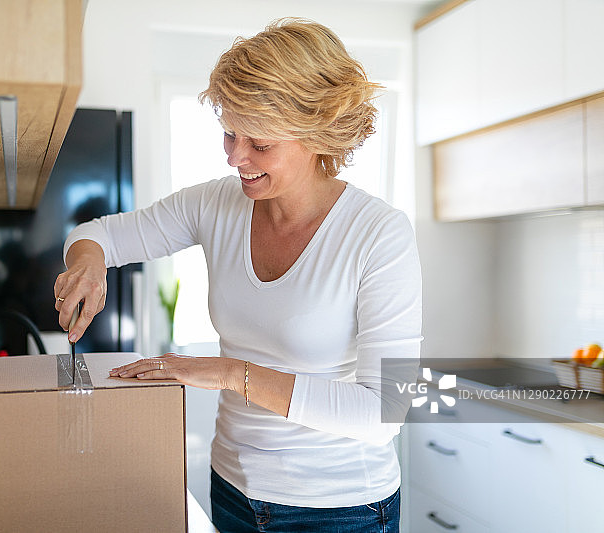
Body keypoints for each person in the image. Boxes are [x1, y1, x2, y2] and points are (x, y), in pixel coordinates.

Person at [54, 18, 421, 533]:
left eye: (260, 143)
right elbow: (100, 235)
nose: (235, 156)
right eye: (230, 132)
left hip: (340, 508)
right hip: (232, 491)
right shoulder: (217, 203)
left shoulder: (380, 234)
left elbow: (387, 410)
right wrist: (87, 265)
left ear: (318, 134)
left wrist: (228, 372)